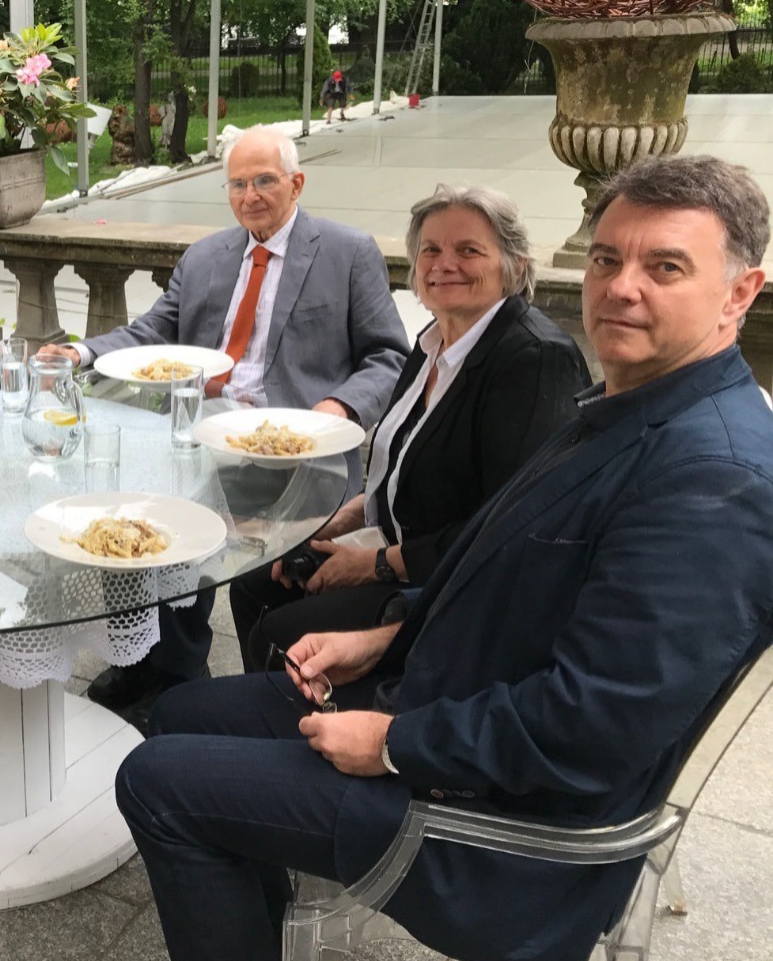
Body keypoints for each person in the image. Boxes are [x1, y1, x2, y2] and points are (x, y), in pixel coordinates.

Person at [116, 152, 773, 961]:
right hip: (443, 696)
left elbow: (596, 727)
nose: (620, 288)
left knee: (155, 779)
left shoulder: (713, 476)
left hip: (495, 812)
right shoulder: (632, 408)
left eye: (665, 267)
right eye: (607, 259)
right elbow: (500, 568)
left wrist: (395, 743)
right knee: (179, 712)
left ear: (738, 292)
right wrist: (384, 636)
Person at [39, 126, 409, 722]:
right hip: (200, 431)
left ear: (297, 183)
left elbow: (389, 355)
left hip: (295, 451)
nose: (249, 195)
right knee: (121, 508)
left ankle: (195, 680)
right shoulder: (206, 256)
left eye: (264, 181)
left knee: (218, 544)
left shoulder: (347, 252)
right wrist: (80, 352)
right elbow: (154, 331)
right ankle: (150, 665)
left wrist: (336, 409)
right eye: (237, 184)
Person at [232, 184, 591, 670]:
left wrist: (374, 565)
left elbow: (512, 527)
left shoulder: (533, 359)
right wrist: (335, 524)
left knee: (281, 632)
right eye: (431, 250)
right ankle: (266, 701)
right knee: (255, 582)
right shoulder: (433, 343)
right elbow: (404, 467)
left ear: (515, 265)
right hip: (396, 548)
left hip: (452, 585)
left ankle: (313, 710)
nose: (445, 264)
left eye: (469, 250)